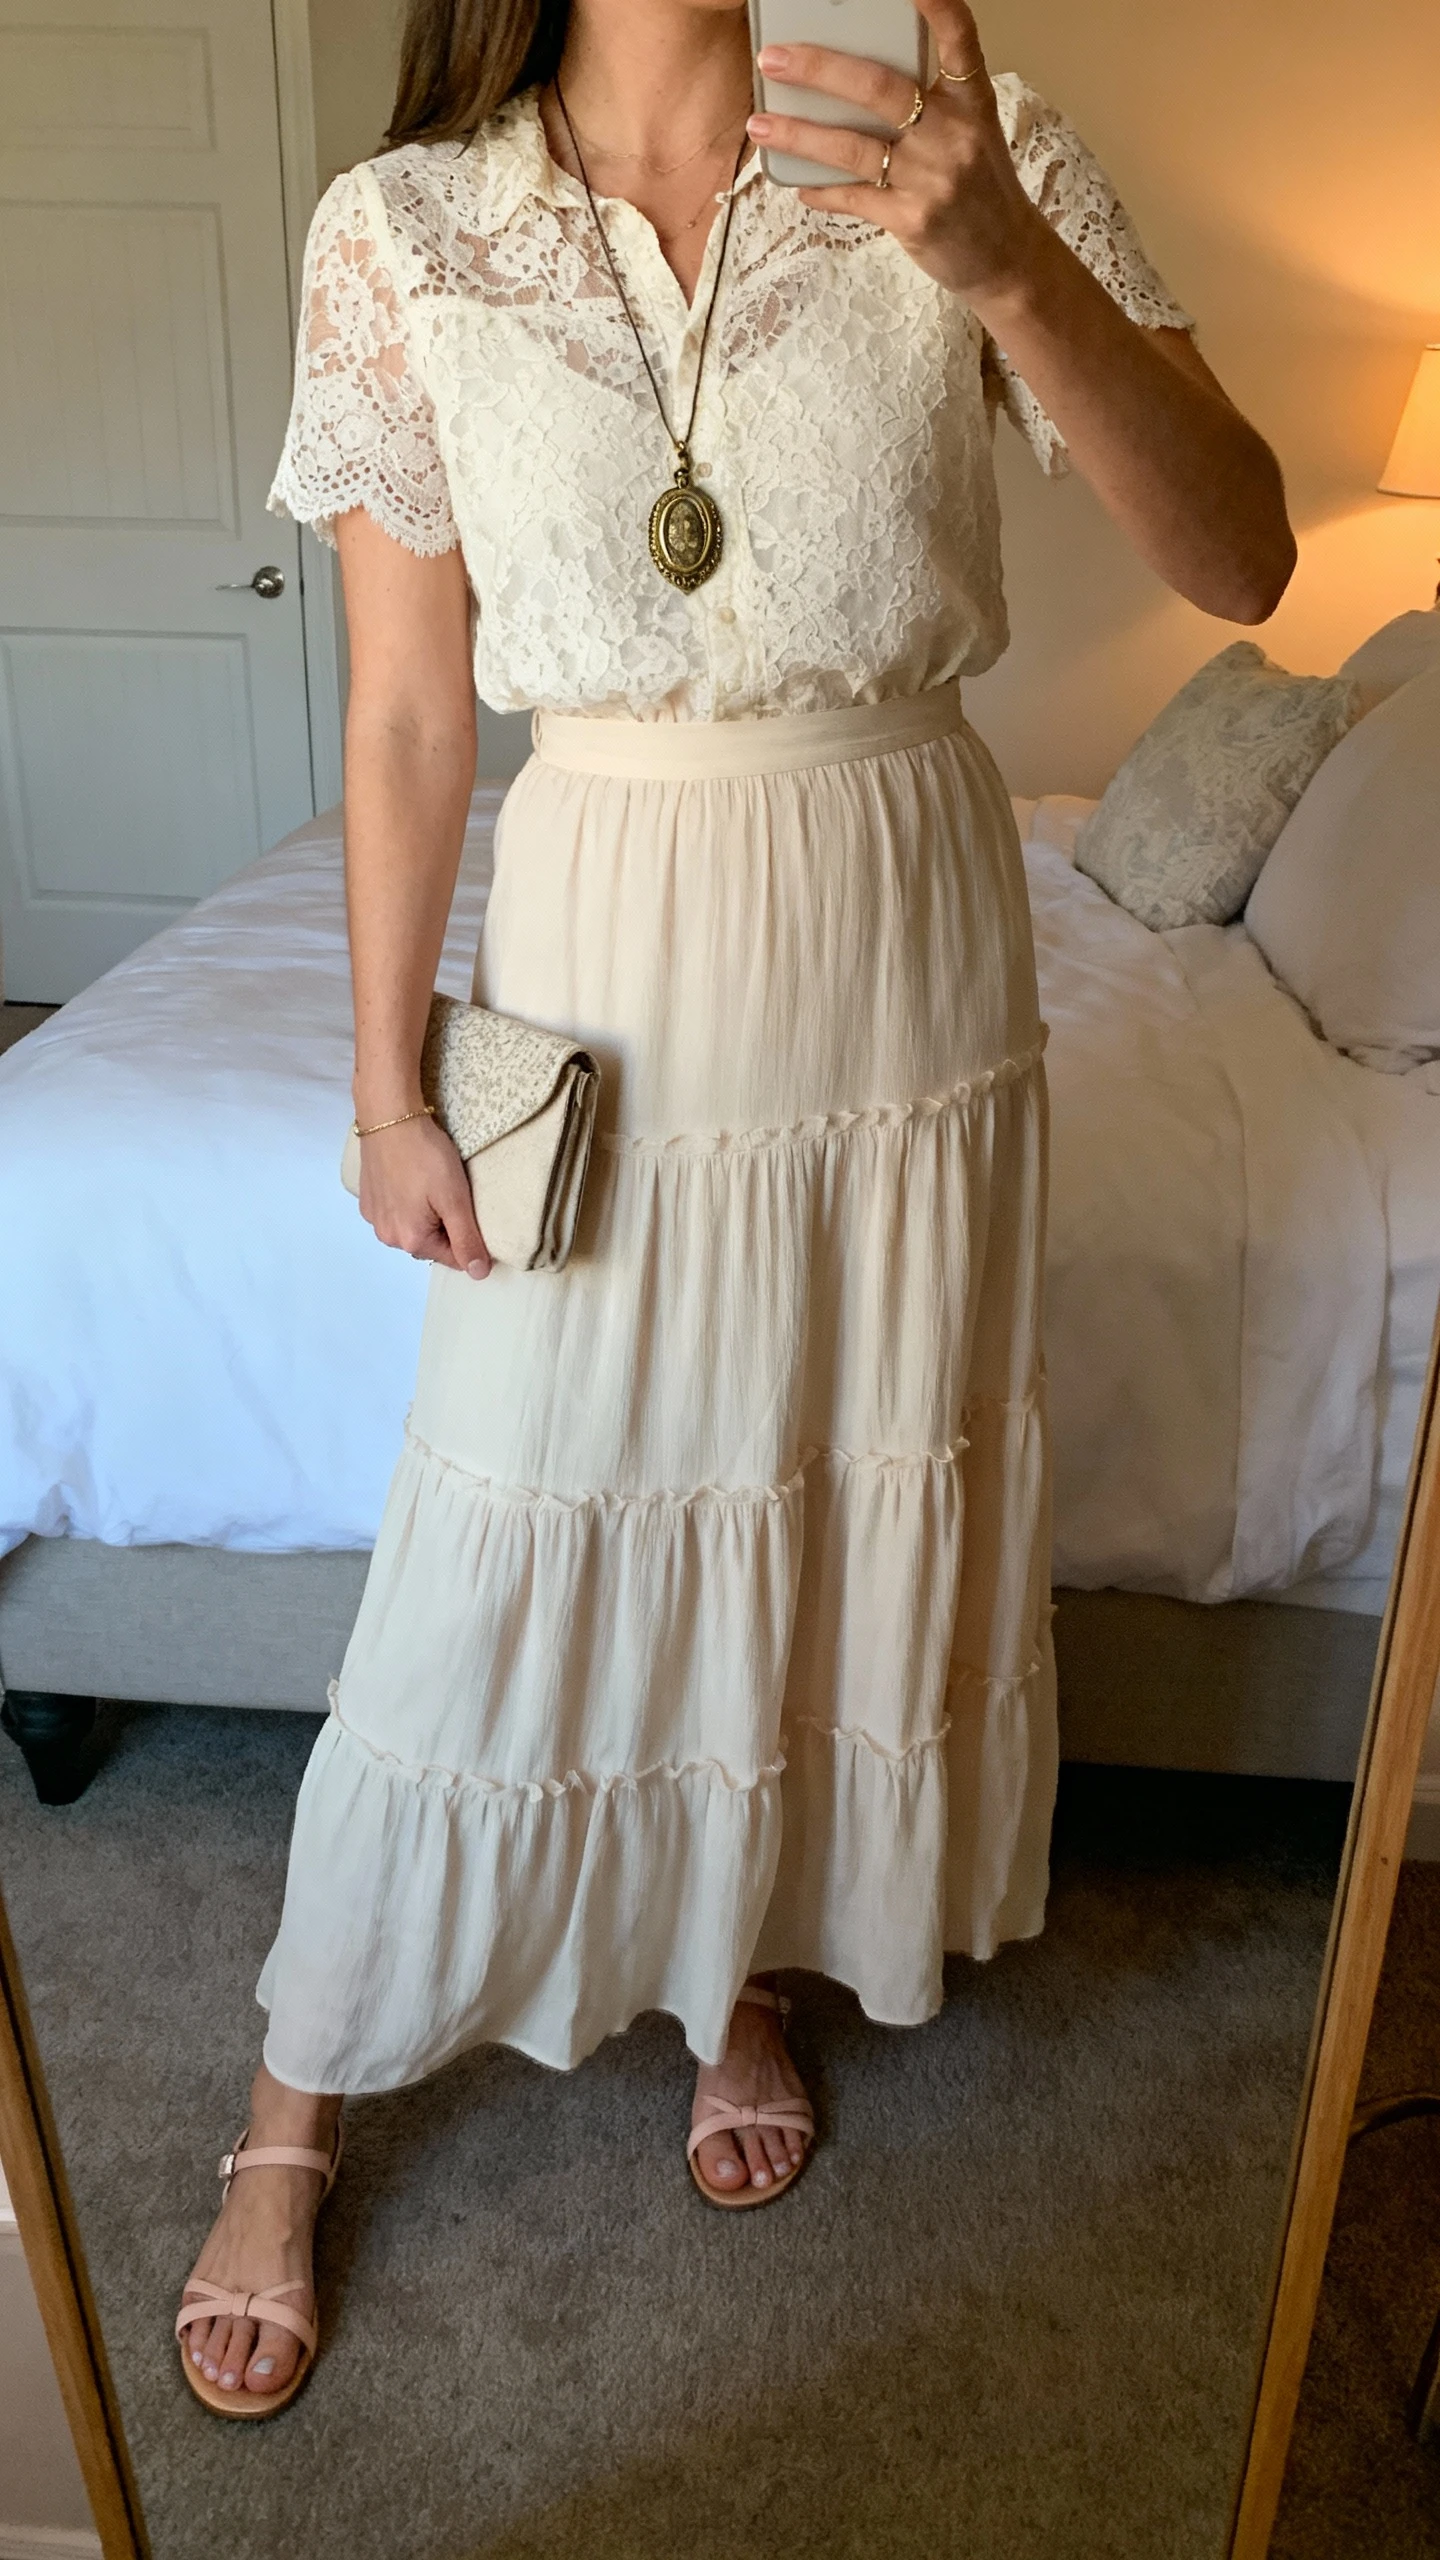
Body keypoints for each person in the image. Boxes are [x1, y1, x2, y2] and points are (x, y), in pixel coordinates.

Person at [177, 0, 1295, 2413]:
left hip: (903, 937)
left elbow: (1245, 552)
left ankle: (739, 1965)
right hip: (606, 937)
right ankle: (297, 2091)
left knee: (816, 1470)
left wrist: (1007, 268)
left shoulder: (969, 151)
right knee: (506, 1520)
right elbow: (408, 710)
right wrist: (382, 1088)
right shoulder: (407, 227)